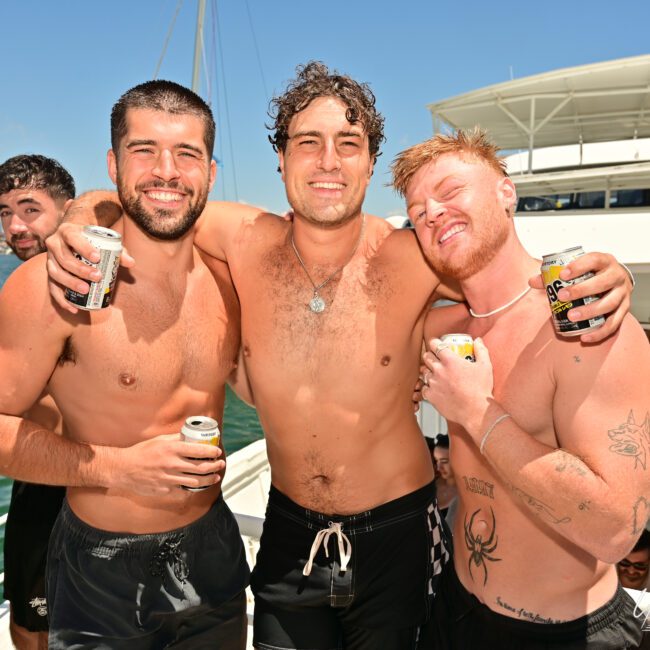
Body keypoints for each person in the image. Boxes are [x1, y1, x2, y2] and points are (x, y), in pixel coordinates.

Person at [45, 63, 634, 650]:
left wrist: (608, 276)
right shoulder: (241, 238)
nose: (328, 160)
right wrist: (74, 218)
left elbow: (507, 277)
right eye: (307, 143)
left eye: (347, 144)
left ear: (370, 163)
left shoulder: (414, 257)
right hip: (289, 531)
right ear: (280, 157)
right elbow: (139, 196)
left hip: (398, 536)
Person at [0, 81, 251, 649]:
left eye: (186, 154)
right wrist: (116, 469)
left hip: (211, 548)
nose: (166, 171)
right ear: (114, 163)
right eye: (144, 150)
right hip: (100, 566)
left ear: (210, 172)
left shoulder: (229, 283)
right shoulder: (54, 284)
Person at [392, 128, 650, 648]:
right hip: (452, 607)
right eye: (419, 213)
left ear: (506, 192)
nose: (433, 214)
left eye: (449, 192)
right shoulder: (440, 331)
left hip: (563, 634)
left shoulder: (585, 325)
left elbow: (615, 530)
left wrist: (476, 412)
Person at [0, 154, 75, 650]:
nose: (15, 226)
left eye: (30, 209)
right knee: (29, 629)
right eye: (4, 213)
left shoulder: (96, 284)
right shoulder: (15, 290)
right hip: (36, 484)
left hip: (93, 489)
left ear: (67, 212)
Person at [432, 434, 458, 525]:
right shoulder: (430, 486)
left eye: (444, 461)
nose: (438, 467)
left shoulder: (468, 494)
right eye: (436, 460)